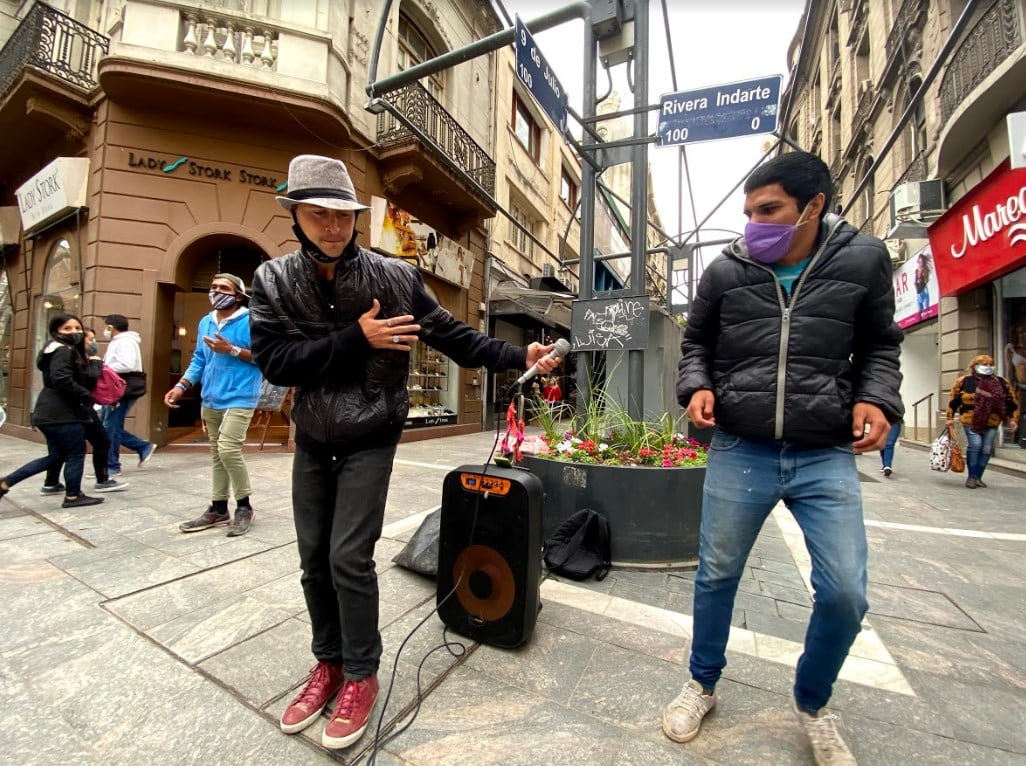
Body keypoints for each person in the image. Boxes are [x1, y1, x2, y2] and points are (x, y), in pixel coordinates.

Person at [248, 154, 559, 751]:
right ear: (296, 216)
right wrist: (353, 339)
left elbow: (454, 336)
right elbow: (276, 361)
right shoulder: (273, 281)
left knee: (347, 558)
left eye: (344, 216)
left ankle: (360, 674)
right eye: (320, 216)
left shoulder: (394, 277)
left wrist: (519, 356)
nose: (334, 228)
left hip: (371, 433)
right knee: (313, 559)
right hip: (313, 436)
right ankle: (328, 664)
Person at [667, 151, 903, 764]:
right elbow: (697, 344)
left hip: (825, 453)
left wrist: (877, 398)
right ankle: (702, 683)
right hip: (741, 447)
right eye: (748, 212)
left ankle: (812, 701)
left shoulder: (864, 259)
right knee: (716, 574)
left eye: (768, 210)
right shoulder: (724, 271)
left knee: (847, 593)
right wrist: (697, 387)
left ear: (814, 205)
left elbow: (881, 344)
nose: (755, 224)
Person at [163, 273, 262, 536]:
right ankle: (218, 508)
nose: (216, 291)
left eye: (223, 288)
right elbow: (199, 359)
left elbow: (264, 358)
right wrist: (181, 385)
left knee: (229, 450)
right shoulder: (206, 322)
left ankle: (244, 506)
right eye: (213, 287)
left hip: (240, 395)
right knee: (217, 455)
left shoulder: (251, 321)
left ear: (238, 295)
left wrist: (231, 349)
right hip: (211, 397)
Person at [1, 314, 111, 508]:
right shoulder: (63, 351)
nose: (75, 332)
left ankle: (5, 483)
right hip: (62, 413)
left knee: (56, 456)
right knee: (76, 453)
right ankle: (73, 496)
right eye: (67, 329)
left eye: (78, 328)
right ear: (56, 331)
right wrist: (86, 395)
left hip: (48, 412)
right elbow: (62, 380)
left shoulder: (53, 350)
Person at [40, 328, 129, 495]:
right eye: (90, 339)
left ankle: (51, 482)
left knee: (58, 448)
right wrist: (95, 362)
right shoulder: (74, 357)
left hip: (60, 410)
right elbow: (86, 382)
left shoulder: (60, 355)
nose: (93, 343)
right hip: (78, 409)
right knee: (99, 442)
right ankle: (99, 482)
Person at [945, 354, 1018, 489]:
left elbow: (1011, 402)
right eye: (985, 365)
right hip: (970, 419)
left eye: (990, 365)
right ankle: (972, 476)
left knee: (986, 448)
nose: (988, 367)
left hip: (992, 421)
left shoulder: (1001, 383)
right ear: (975, 366)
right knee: (976, 444)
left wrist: (1013, 419)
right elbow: (953, 400)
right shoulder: (964, 381)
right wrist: (949, 418)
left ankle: (978, 476)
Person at [100, 314, 156, 476]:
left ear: (111, 327)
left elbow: (126, 364)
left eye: (106, 327)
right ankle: (141, 447)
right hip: (118, 389)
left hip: (120, 389)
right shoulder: (120, 342)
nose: (104, 330)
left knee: (110, 426)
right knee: (109, 426)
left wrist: (102, 368)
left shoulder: (125, 342)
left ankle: (111, 465)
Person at [1002, 322, 1026, 446]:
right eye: (1020, 332)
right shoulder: (1010, 349)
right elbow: (1009, 371)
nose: (1023, 334)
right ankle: (1019, 438)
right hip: (1020, 387)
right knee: (1019, 412)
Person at [914, 251, 932, 316]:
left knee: (927, 312)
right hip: (918, 295)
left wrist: (923, 274)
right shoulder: (916, 271)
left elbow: (926, 281)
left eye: (921, 262)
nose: (919, 264)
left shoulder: (925, 271)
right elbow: (914, 282)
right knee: (919, 314)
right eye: (918, 262)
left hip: (924, 292)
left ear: (923, 263)